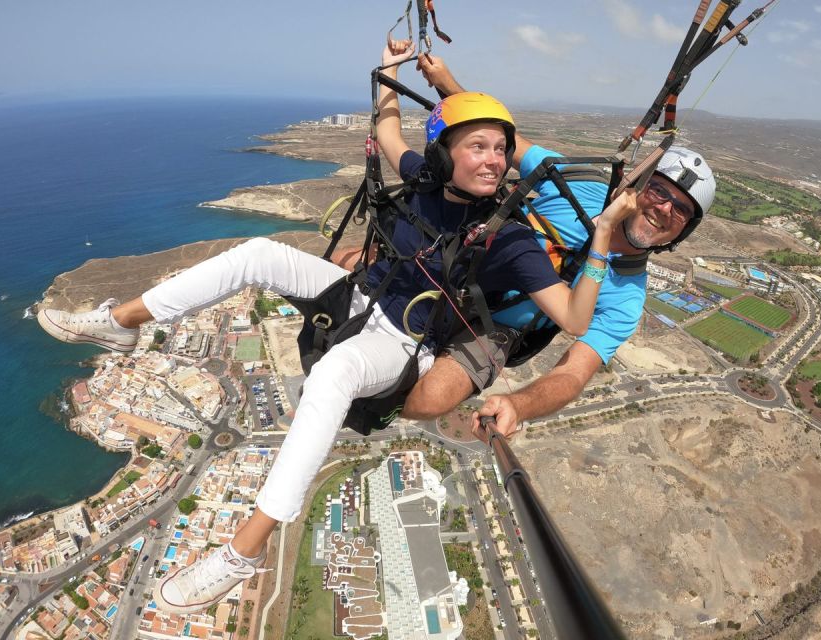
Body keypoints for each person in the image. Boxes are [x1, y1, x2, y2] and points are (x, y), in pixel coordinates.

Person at [37, 40, 637, 614]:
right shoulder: (425, 184)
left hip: (402, 342)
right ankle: (120, 322)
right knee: (255, 253)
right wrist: (389, 74)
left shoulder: (508, 238)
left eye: (501, 150)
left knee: (334, 373)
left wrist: (603, 239)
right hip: (357, 296)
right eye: (477, 147)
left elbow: (574, 317)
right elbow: (387, 133)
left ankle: (243, 552)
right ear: (443, 155)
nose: (494, 160)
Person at [399, 54, 717, 441]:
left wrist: (519, 404)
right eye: (659, 191)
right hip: (463, 256)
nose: (664, 209)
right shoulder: (578, 181)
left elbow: (572, 372)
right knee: (354, 265)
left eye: (681, 209)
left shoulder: (626, 298)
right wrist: (445, 82)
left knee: (428, 400)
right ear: (638, 185)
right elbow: (502, 143)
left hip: (495, 325)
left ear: (682, 231)